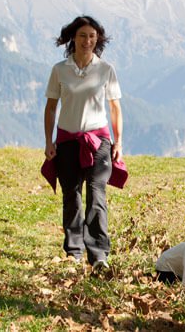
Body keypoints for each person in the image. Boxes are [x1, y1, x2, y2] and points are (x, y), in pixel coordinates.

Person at [41, 15, 125, 270]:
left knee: (97, 194)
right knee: (72, 196)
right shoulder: (60, 70)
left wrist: (118, 141)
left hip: (98, 141)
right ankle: (74, 250)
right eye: (82, 36)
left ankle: (99, 253)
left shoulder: (105, 69)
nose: (87, 41)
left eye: (92, 36)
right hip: (67, 140)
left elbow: (115, 108)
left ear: (97, 39)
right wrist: (48, 141)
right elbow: (51, 107)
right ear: (73, 38)